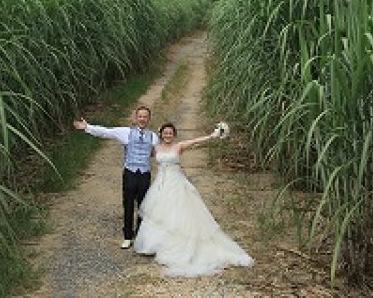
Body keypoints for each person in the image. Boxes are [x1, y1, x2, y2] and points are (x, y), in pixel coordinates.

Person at [133, 122, 254, 277]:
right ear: (161, 135)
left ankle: (178, 245)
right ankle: (154, 245)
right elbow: (139, 150)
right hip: (160, 185)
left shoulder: (179, 146)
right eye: (165, 133)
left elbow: (196, 141)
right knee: (159, 213)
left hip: (176, 183)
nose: (167, 135)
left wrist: (214, 135)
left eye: (170, 133)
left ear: (174, 135)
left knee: (179, 212)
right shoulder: (155, 148)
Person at [72, 106, 159, 249]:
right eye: (140, 116)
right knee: (128, 203)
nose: (143, 119)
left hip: (145, 173)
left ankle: (141, 234)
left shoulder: (154, 136)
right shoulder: (126, 132)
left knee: (144, 205)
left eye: (145, 117)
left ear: (149, 119)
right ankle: (127, 236)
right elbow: (107, 132)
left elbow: (157, 153)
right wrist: (87, 127)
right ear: (135, 118)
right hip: (130, 172)